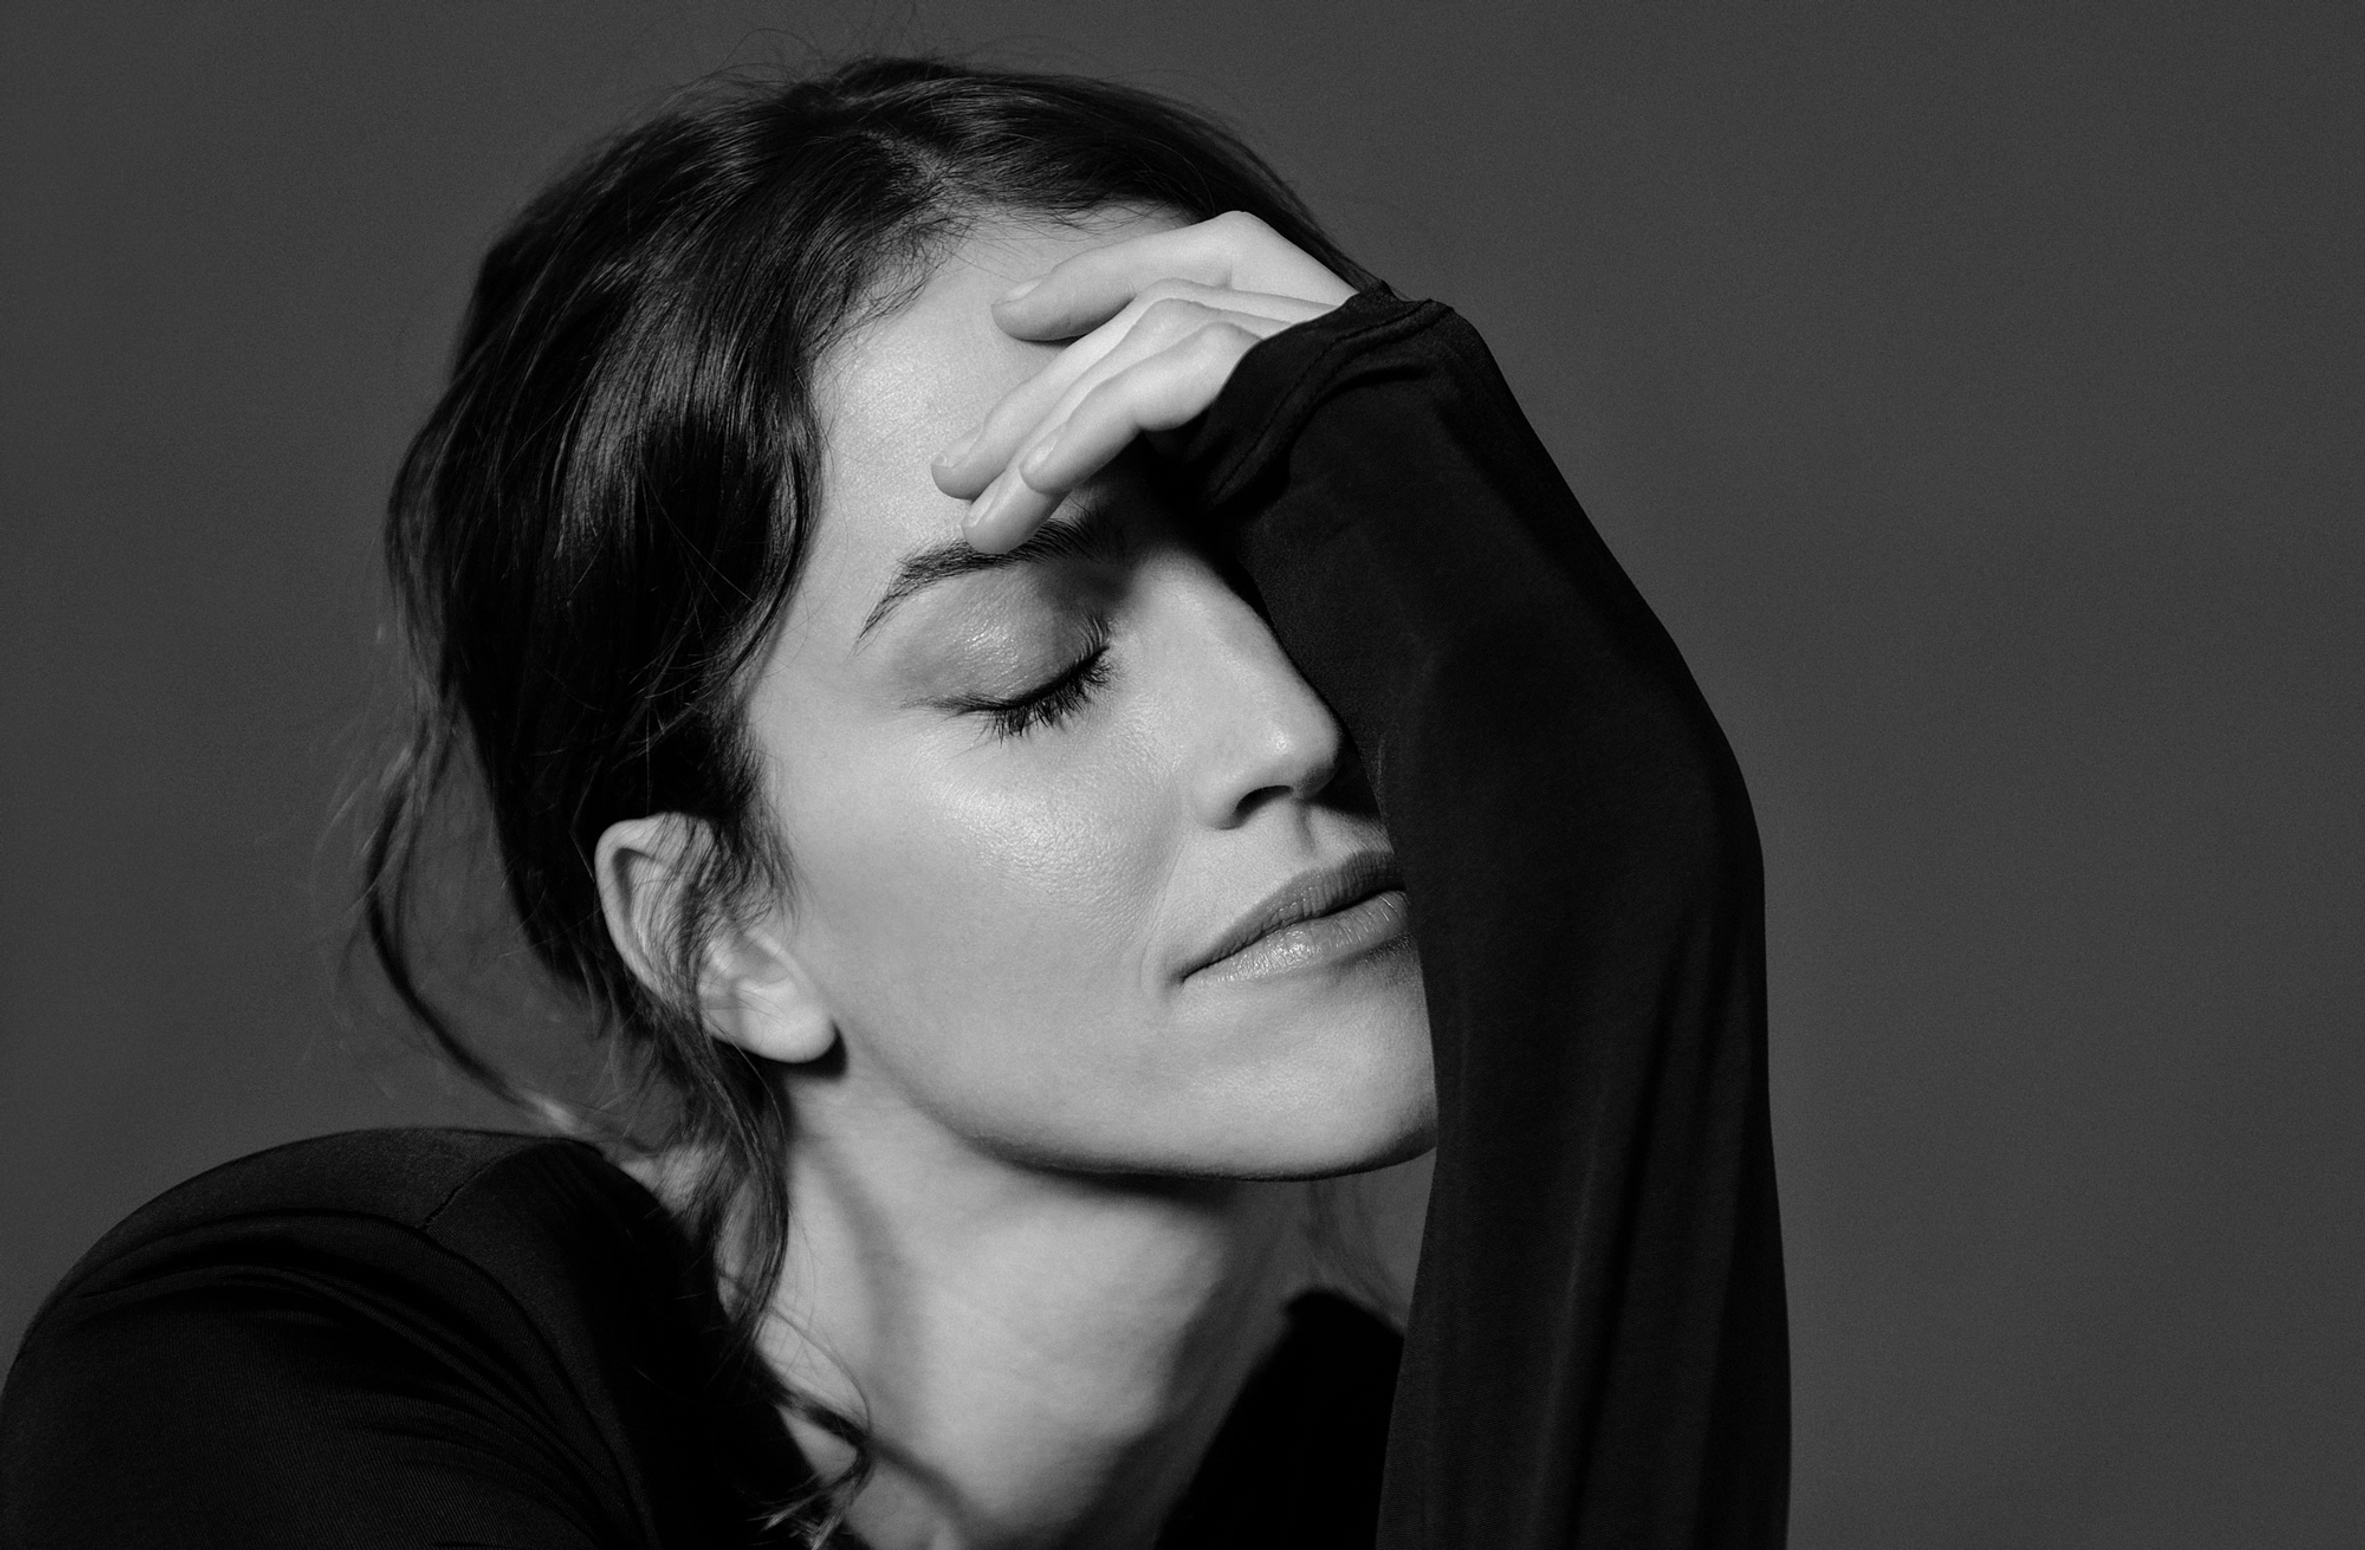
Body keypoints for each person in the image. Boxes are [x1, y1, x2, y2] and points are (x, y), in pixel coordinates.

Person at [0, 57, 1787, 1548]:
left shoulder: (1436, 1465)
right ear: (718, 930)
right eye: (1038, 672)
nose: (1289, 725)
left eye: (1310, 577)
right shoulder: (296, 1388)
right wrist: (1606, 861)